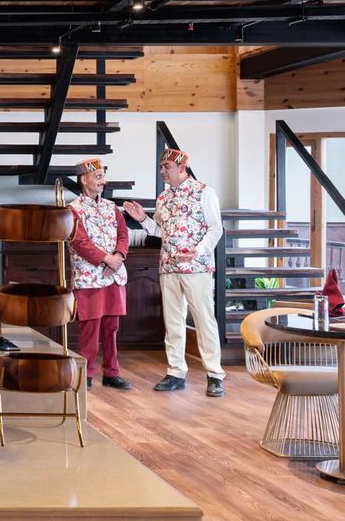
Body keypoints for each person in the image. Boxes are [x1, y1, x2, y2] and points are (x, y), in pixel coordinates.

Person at [122, 148, 226, 397]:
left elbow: (215, 229)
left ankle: (214, 375)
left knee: (204, 321)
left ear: (182, 168)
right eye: (161, 167)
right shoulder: (163, 198)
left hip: (196, 268)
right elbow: (159, 231)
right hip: (168, 267)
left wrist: (199, 250)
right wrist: (142, 219)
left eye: (166, 167)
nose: (162, 172)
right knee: (173, 322)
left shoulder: (204, 192)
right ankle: (176, 371)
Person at [67, 158, 133, 391]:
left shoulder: (111, 207)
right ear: (84, 179)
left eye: (103, 176)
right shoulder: (73, 209)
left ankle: (112, 372)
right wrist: (106, 259)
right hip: (89, 277)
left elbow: (124, 235)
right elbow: (79, 241)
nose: (103, 181)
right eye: (98, 176)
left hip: (114, 276)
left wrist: (119, 256)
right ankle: (86, 373)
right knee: (90, 327)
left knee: (111, 326)